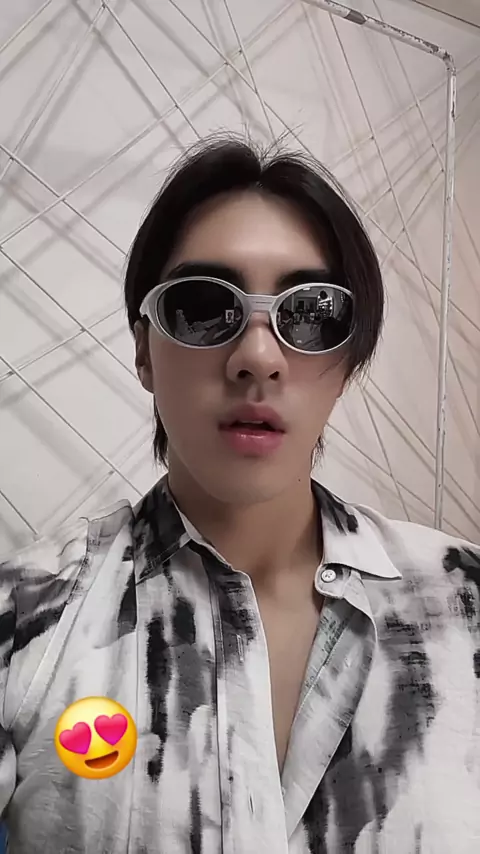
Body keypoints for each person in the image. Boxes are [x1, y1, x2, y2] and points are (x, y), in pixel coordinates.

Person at [0, 136, 479, 854]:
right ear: (144, 350)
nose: (258, 357)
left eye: (311, 312)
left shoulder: (465, 607)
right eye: (202, 305)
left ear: (348, 361)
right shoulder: (29, 623)